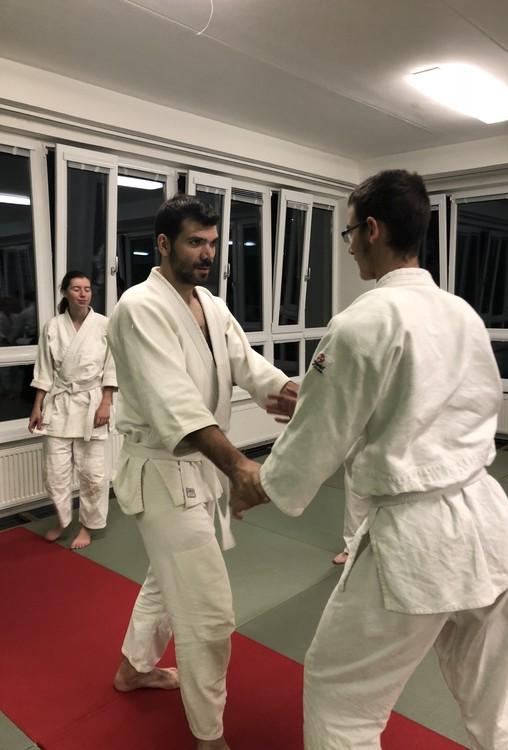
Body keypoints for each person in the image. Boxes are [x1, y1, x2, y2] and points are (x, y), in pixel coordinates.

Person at [232, 170, 508, 750]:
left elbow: (317, 440)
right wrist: (321, 403)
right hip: (489, 524)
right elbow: (434, 409)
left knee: (339, 695)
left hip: (418, 539)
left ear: (372, 229)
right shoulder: (463, 314)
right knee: (502, 708)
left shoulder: (361, 321)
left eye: (349, 232)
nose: (349, 246)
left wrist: (255, 484)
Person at [107, 194, 295, 750]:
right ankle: (209, 736)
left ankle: (133, 669)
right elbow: (175, 405)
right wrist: (238, 466)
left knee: (164, 581)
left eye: (213, 243)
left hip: (195, 473)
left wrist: (287, 391)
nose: (208, 253)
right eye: (195, 242)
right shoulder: (139, 308)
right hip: (162, 474)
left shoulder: (210, 304)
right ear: (164, 244)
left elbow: (246, 363)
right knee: (208, 612)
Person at [29, 271, 117, 549]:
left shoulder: (104, 325)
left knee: (93, 474)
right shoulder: (52, 327)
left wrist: (106, 402)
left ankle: (87, 526)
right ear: (65, 292)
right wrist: (37, 406)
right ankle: (63, 519)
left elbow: (112, 366)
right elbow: (44, 370)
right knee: (55, 472)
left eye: (87, 289)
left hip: (92, 404)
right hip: (59, 404)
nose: (83, 294)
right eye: (76, 288)